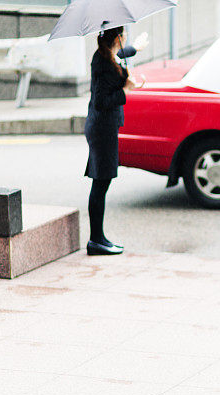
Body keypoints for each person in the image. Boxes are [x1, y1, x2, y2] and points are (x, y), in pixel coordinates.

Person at [83, 27, 147, 255]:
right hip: (101, 130)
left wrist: (135, 48)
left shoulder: (106, 55)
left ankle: (98, 238)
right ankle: (96, 240)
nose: (126, 37)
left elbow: (119, 55)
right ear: (117, 37)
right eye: (124, 34)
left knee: (102, 182)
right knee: (101, 183)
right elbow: (101, 101)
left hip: (104, 128)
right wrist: (126, 90)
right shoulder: (102, 63)